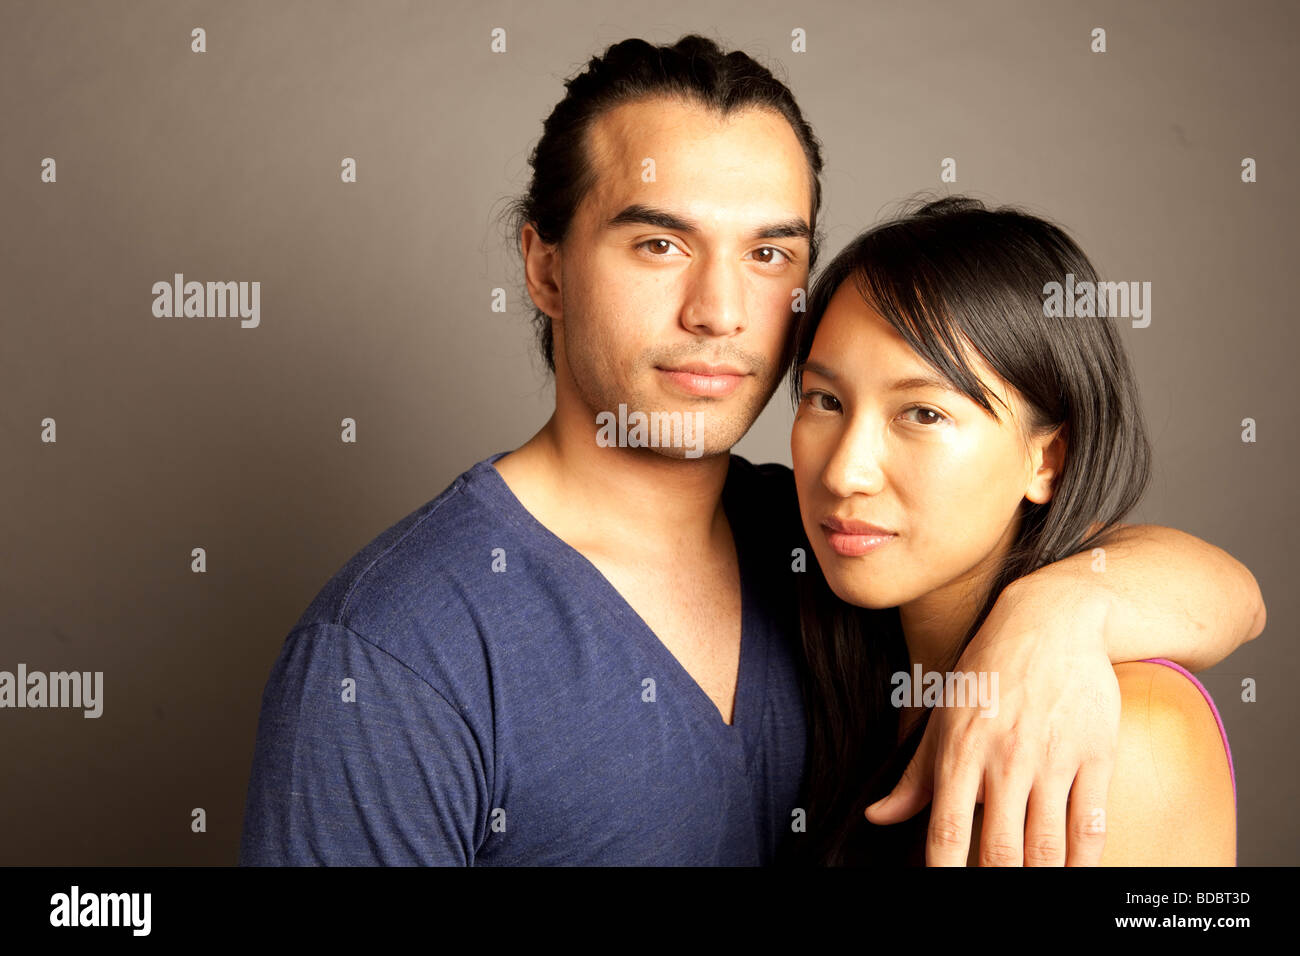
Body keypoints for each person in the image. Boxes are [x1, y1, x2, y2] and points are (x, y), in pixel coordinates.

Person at [238, 36, 1264, 866]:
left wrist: (1064, 606)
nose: (720, 311)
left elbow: (1224, 592)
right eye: (659, 243)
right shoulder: (394, 652)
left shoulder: (836, 547)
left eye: (770, 252)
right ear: (544, 266)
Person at [787, 196, 1239, 866]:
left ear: (1045, 460)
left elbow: (1242, 598)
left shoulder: (1129, 733)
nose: (846, 472)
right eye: (826, 401)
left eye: (923, 413)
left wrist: (1063, 608)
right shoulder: (834, 655)